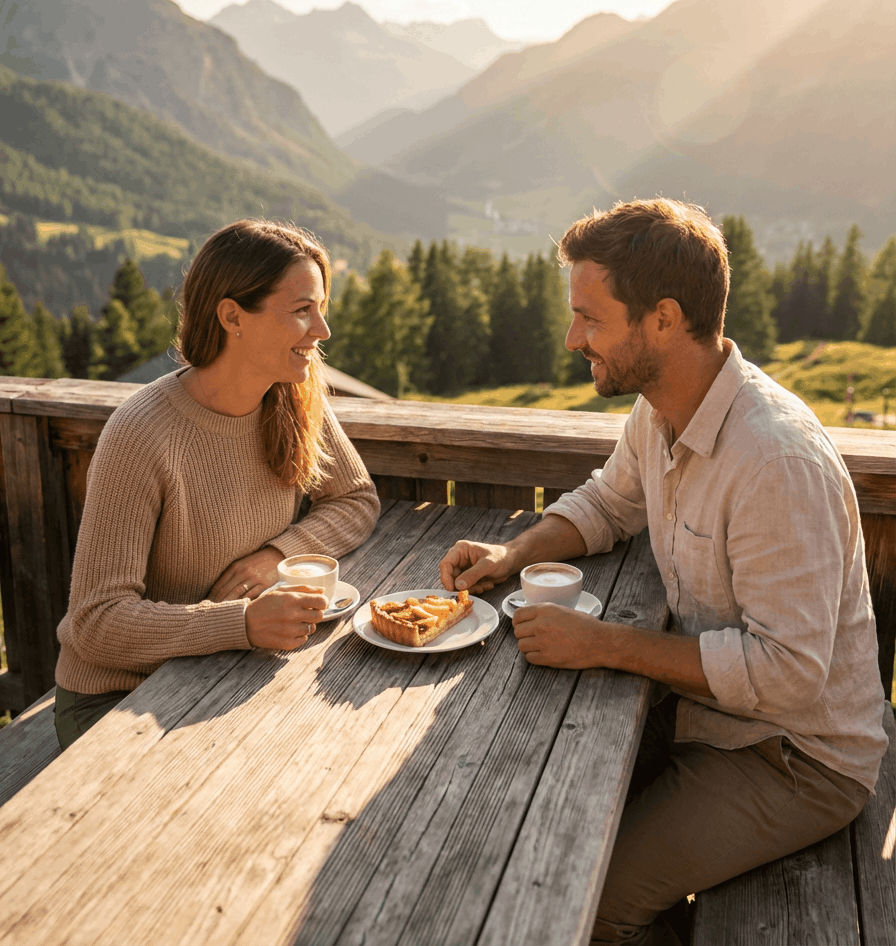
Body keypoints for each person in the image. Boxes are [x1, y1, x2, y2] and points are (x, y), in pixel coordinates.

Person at [439, 198, 888, 946]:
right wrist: (511, 554)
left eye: (590, 317)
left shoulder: (773, 461)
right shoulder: (661, 407)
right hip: (709, 720)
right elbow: (610, 502)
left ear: (663, 319)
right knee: (514, 814)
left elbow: (788, 674)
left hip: (796, 759)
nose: (571, 337)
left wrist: (603, 643)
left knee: (581, 895)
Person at [55, 219, 379, 749]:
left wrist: (277, 554)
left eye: (321, 308)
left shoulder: (294, 394)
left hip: (225, 674)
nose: (322, 330)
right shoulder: (141, 433)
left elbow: (355, 498)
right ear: (232, 317)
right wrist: (241, 623)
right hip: (118, 701)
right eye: (302, 310)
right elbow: (96, 622)